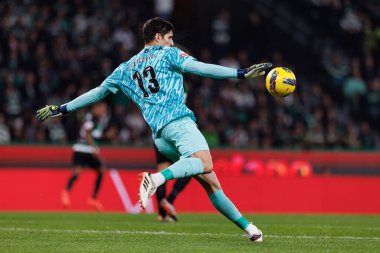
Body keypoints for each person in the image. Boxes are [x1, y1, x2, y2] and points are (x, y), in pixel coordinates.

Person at [36, 17, 271, 242]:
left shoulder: (125, 68)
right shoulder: (168, 54)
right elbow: (200, 68)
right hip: (179, 123)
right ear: (158, 37)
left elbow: (97, 93)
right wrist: (240, 73)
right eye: (169, 37)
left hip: (160, 137)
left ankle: (250, 230)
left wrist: (62, 109)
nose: (171, 42)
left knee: (210, 183)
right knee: (206, 162)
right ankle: (156, 179)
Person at [61, 102, 108, 211]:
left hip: (89, 150)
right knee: (77, 172)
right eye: (102, 108)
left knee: (101, 170)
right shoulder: (90, 117)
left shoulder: (98, 120)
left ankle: (93, 198)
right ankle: (65, 192)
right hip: (81, 149)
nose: (103, 111)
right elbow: (87, 134)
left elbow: (95, 134)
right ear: (96, 107)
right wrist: (95, 148)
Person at [154, 144, 191, 222]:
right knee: (189, 168)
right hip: (175, 137)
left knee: (162, 172)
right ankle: (169, 201)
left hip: (159, 137)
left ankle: (162, 214)